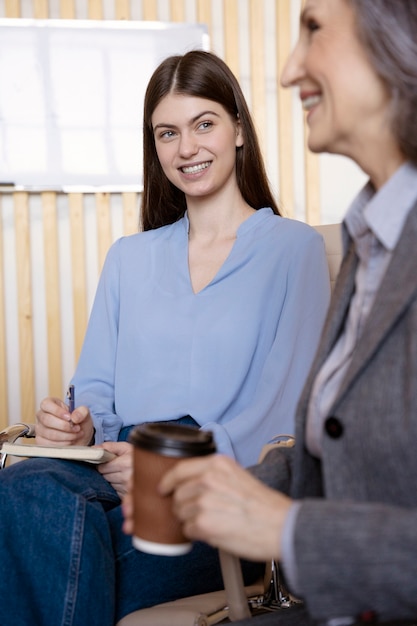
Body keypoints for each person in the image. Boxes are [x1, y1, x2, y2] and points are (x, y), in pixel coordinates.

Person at [0, 50, 330, 626]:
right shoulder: (129, 257)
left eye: (204, 124)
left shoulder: (293, 250)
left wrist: (163, 469)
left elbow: (286, 408)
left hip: (215, 482)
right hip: (109, 461)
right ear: (154, 147)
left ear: (238, 131)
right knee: (26, 484)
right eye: (167, 133)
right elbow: (95, 386)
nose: (186, 148)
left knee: (45, 551)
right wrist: (77, 426)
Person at [128, 2, 417, 625]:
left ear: (400, 41)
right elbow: (322, 444)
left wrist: (286, 526)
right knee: (28, 498)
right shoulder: (370, 239)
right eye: (166, 132)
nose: (288, 70)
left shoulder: (301, 247)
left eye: (314, 31)